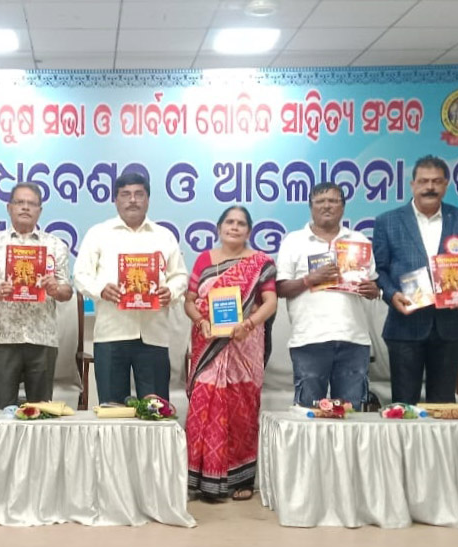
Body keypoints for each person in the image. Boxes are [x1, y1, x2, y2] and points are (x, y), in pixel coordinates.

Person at [373, 155, 458, 404]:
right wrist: (391, 295)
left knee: (443, 404)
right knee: (404, 405)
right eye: (423, 181)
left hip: (450, 325)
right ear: (412, 185)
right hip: (404, 325)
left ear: (446, 185)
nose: (430, 187)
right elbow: (378, 270)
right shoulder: (387, 221)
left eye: (436, 181)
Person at [184, 206, 277, 501]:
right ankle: (198, 479)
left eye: (241, 223)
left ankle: (241, 480)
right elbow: (189, 301)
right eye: (229, 222)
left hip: (244, 344)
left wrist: (248, 324)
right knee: (202, 403)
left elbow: (270, 302)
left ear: (249, 231)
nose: (234, 227)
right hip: (209, 343)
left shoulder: (260, 262)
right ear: (219, 227)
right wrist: (200, 321)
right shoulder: (204, 259)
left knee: (241, 409)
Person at [73, 172, 188, 403]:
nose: (132, 200)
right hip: (111, 334)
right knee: (112, 409)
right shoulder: (99, 234)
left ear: (148, 199)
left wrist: (171, 291)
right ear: (116, 200)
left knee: (155, 409)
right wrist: (101, 290)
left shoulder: (164, 236)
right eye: (125, 194)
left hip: (154, 335)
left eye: (139, 194)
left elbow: (180, 276)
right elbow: (80, 275)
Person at [276, 182, 380, 409]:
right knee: (308, 413)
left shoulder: (359, 241)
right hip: (309, 339)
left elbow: (373, 284)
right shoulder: (293, 241)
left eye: (333, 201)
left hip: (354, 340)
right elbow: (281, 288)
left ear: (342, 207)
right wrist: (309, 280)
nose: (326, 206)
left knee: (352, 414)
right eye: (320, 201)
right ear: (310, 206)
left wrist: (374, 291)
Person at [0, 182, 73, 409]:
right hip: (3, 338)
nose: (25, 207)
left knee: (41, 412)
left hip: (42, 338)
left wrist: (56, 289)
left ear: (40, 210)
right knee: (2, 412)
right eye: (20, 202)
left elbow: (67, 291)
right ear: (9, 207)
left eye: (32, 203)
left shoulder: (55, 245)